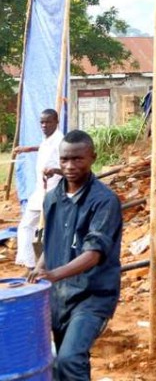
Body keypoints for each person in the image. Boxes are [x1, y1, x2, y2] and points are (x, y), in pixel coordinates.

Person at [28, 129, 123, 381]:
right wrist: (39, 268)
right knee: (61, 363)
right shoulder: (52, 199)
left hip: (92, 296)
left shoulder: (104, 201)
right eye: (64, 159)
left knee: (70, 358)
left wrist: (53, 274)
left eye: (77, 159)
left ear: (93, 157)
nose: (69, 166)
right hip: (59, 297)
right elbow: (52, 243)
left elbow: (93, 254)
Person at [14, 108, 63, 268]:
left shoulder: (62, 142)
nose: (44, 125)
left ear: (56, 122)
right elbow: (44, 147)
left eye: (48, 122)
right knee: (27, 225)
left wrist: (55, 170)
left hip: (54, 191)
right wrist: (28, 149)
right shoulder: (48, 139)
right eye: (42, 122)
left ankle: (51, 265)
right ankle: (30, 265)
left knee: (51, 230)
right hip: (40, 190)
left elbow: (71, 169)